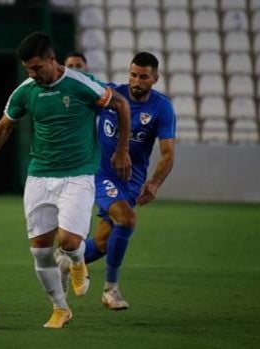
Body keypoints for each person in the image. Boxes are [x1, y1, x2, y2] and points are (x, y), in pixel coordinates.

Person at [0, 31, 132, 328]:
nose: (32, 73)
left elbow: (120, 104)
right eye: (28, 68)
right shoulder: (26, 90)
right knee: (40, 251)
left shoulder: (81, 84)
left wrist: (122, 150)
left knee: (68, 242)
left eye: (36, 67)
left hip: (78, 175)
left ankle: (77, 261)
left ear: (52, 60)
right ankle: (60, 308)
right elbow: (3, 127)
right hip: (39, 177)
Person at [57, 52, 175, 310]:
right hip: (101, 173)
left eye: (144, 77)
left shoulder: (162, 108)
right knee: (127, 219)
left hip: (132, 182)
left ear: (155, 78)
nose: (137, 81)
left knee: (101, 244)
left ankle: (66, 261)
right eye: (133, 75)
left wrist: (154, 184)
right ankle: (111, 290)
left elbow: (168, 154)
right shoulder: (111, 94)